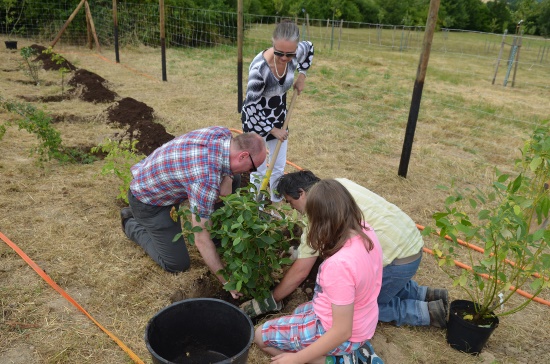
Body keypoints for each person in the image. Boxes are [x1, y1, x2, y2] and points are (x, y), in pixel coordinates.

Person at [241, 170, 449, 328]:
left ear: (301, 193)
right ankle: (425, 293)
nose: (292, 208)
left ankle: (426, 312)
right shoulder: (340, 184)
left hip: (398, 261)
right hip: (410, 242)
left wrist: (271, 299)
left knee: (360, 308)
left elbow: (301, 271)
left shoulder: (318, 216)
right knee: (375, 280)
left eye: (290, 202)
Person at [120, 126, 266, 299]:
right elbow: (200, 238)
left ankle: (218, 237)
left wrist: (227, 178)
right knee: (177, 264)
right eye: (252, 167)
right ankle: (131, 222)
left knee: (234, 177)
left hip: (167, 184)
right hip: (149, 203)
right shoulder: (205, 178)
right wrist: (227, 281)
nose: (250, 172)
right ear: (242, 156)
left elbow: (227, 169)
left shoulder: (222, 134)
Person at [255, 179, 384, 364]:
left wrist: (297, 359)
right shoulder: (365, 229)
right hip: (363, 320)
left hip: (344, 333)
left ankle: (338, 361)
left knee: (261, 335)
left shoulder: (340, 265)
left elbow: (341, 331)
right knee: (299, 311)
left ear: (319, 221)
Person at [241, 20, 314, 202]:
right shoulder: (260, 70)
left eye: (290, 54)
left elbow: (310, 48)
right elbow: (251, 107)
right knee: (258, 168)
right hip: (256, 121)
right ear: (273, 44)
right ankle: (254, 205)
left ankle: (273, 202)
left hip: (279, 117)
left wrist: (302, 76)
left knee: (278, 166)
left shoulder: (296, 53)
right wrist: (273, 130)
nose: (284, 58)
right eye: (280, 52)